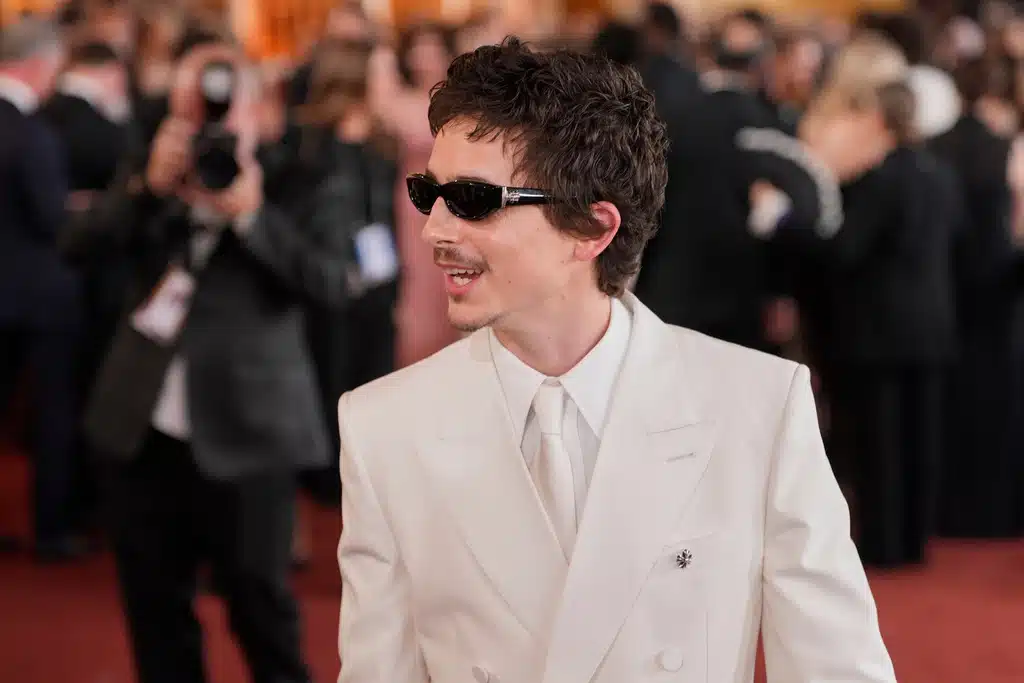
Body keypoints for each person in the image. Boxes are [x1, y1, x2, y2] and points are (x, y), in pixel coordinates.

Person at [336, 38, 896, 683]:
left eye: (471, 199)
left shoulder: (758, 406)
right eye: (427, 193)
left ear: (593, 229)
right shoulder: (383, 426)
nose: (435, 229)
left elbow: (838, 668)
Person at [78, 33, 329, 683]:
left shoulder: (299, 168)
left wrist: (251, 218)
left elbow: (333, 280)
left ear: (256, 108)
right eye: (193, 105)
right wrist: (146, 187)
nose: (209, 122)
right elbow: (80, 245)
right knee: (155, 612)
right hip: (144, 426)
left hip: (252, 429)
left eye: (223, 105)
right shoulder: (151, 161)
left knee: (262, 610)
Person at [0, 18, 85, 561]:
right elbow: (53, 217)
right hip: (38, 298)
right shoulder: (33, 134)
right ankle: (53, 531)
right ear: (37, 64)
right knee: (54, 414)